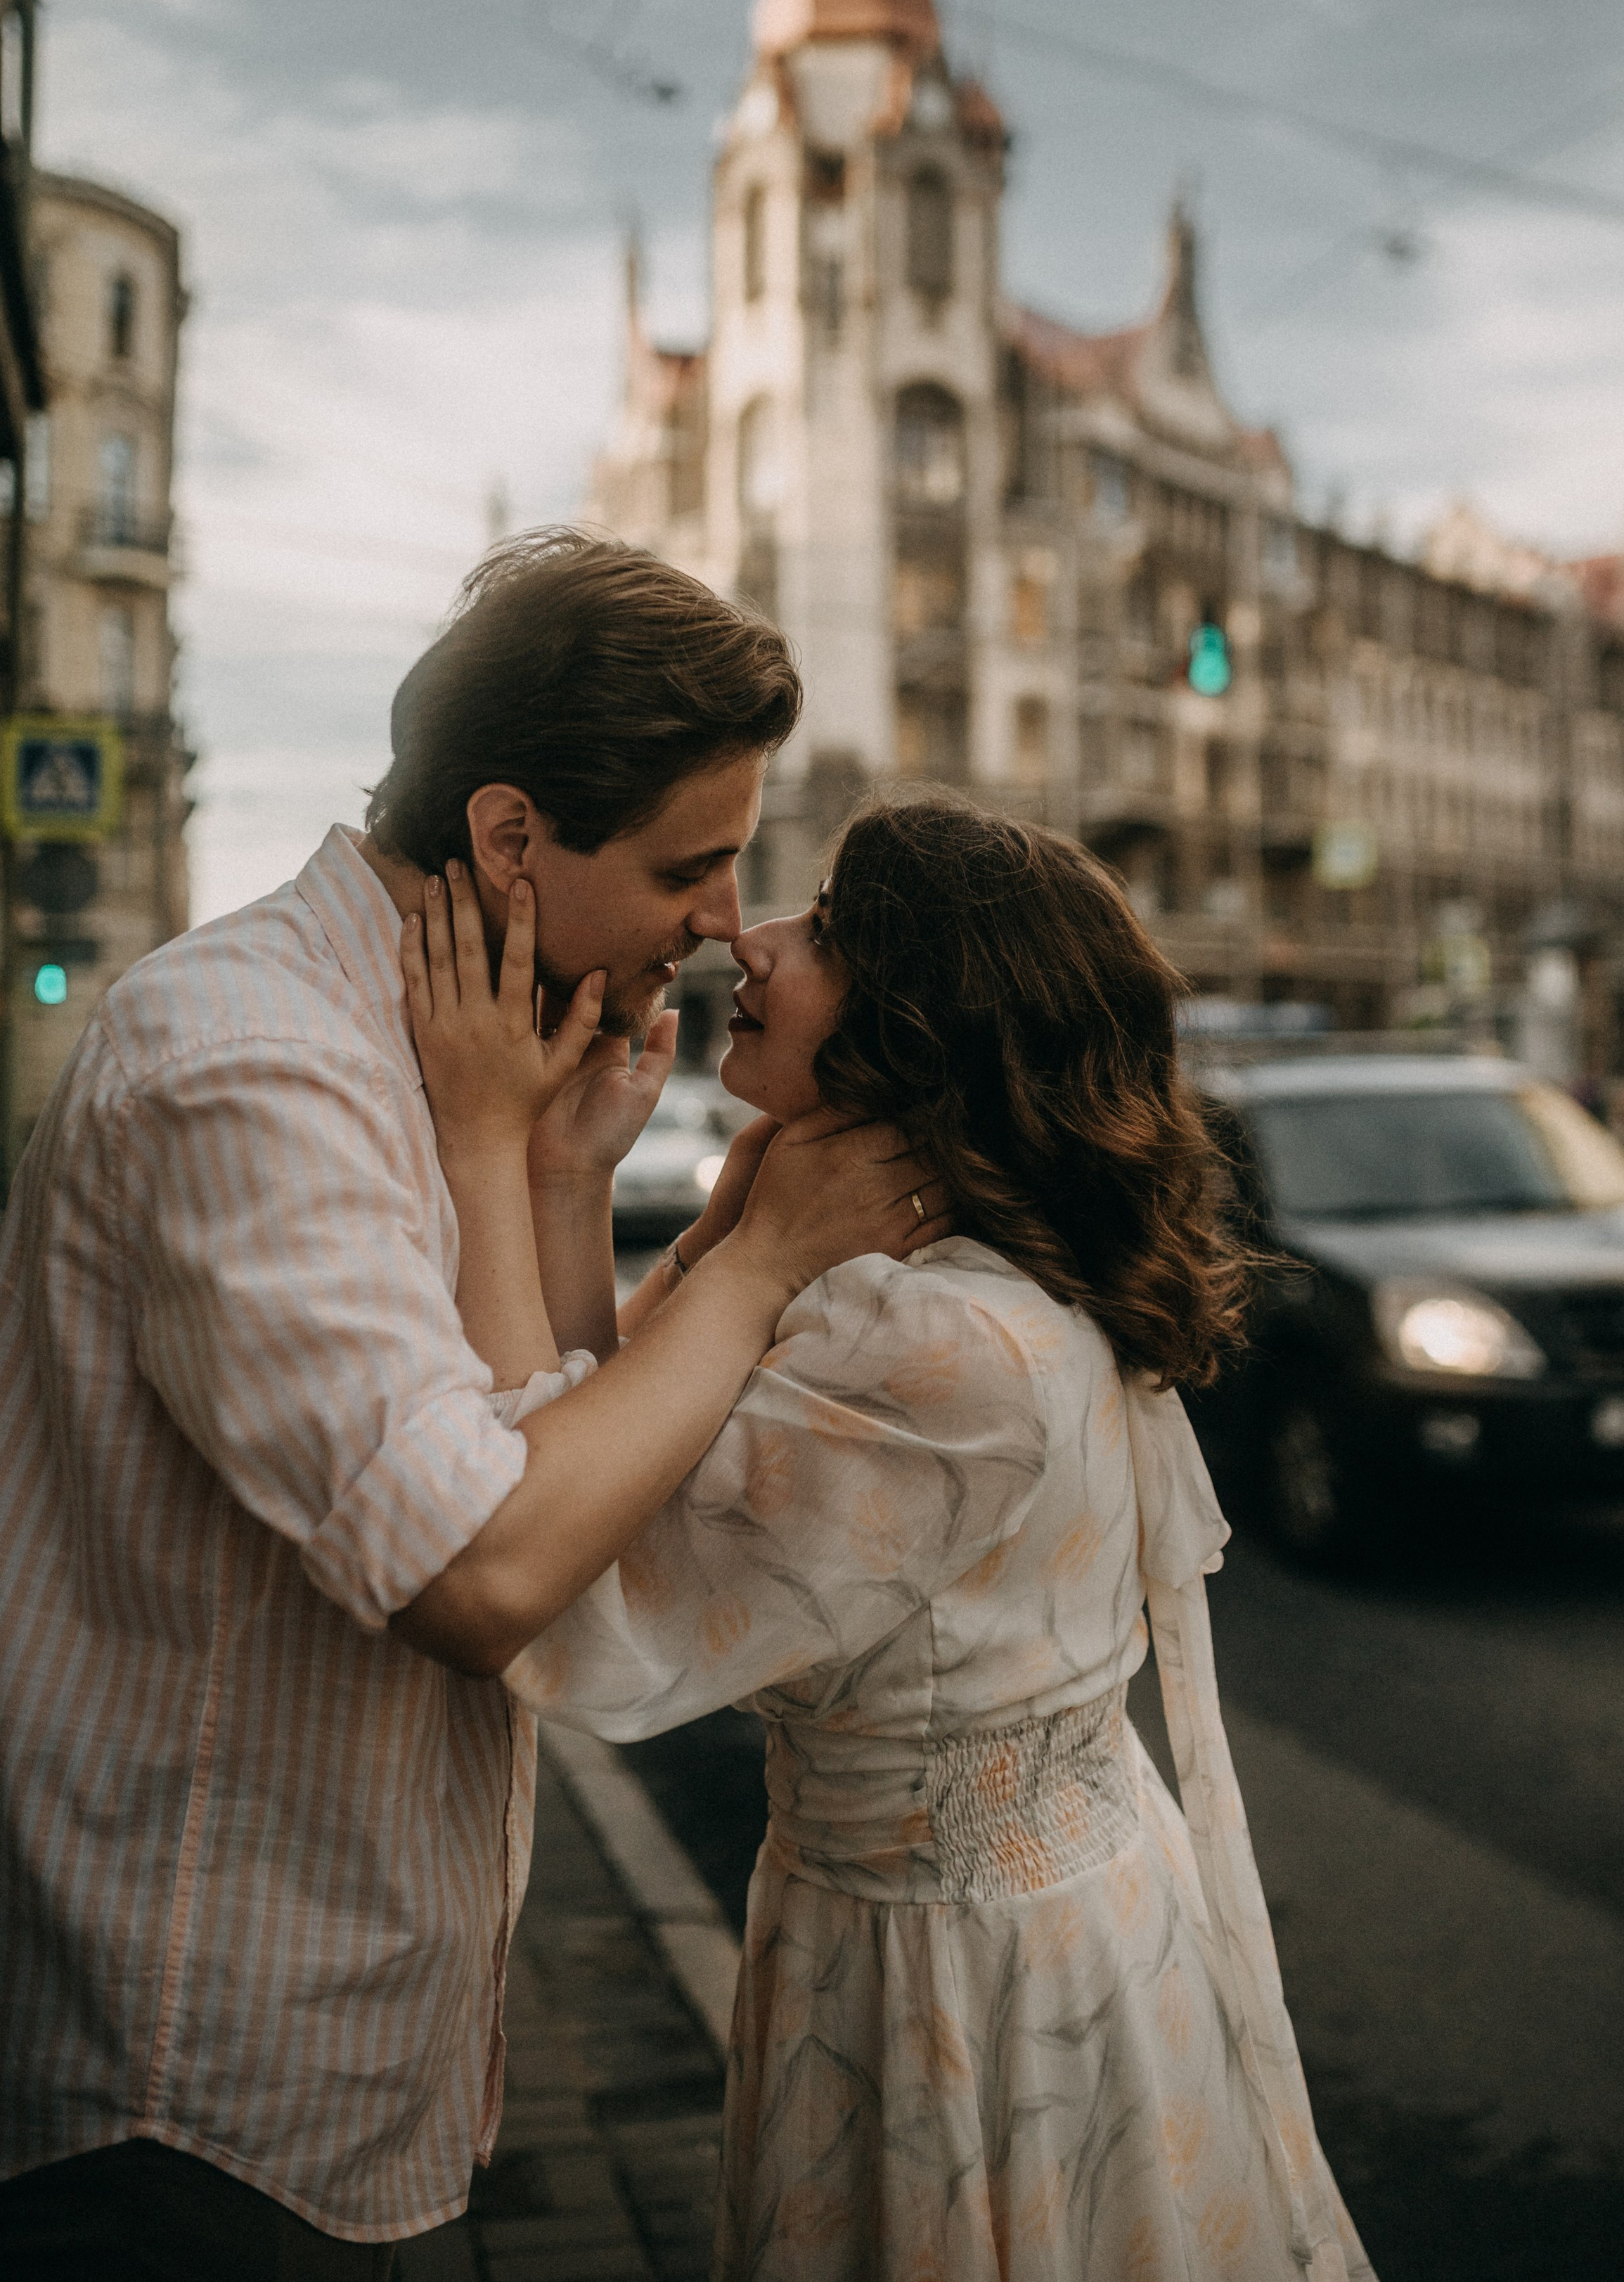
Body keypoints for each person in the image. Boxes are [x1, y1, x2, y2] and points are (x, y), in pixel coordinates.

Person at [0, 530, 942, 2281]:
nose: (725, 924)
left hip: (352, 2044)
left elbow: (555, 1472)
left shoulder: (460, 1055)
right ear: (510, 835)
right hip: (191, 2066)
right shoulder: (252, 1066)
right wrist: (747, 1271)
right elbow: (486, 1575)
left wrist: (563, 1177)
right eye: (694, 863)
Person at [406, 792, 1376, 2282]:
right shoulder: (928, 1276)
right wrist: (573, 1184)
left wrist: (487, 1151)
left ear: (922, 1029)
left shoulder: (937, 1338)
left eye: (830, 927)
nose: (751, 933)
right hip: (1003, 1932)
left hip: (962, 1993)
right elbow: (616, 1457)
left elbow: (560, 1575)